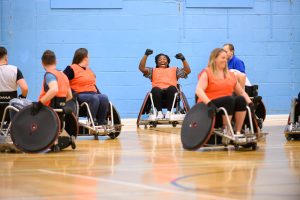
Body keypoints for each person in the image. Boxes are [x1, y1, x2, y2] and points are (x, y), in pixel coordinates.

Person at [196, 48, 253, 137]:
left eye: (226, 58)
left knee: (241, 99)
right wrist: (209, 103)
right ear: (214, 59)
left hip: (227, 105)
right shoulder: (207, 72)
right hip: (209, 107)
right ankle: (227, 131)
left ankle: (237, 132)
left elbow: (241, 92)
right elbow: (199, 90)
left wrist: (250, 103)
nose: (225, 60)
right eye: (223, 58)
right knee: (229, 99)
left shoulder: (230, 75)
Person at [139, 49, 191, 119]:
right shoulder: (152, 71)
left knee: (172, 88)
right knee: (155, 89)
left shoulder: (174, 70)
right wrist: (146, 55)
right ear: (157, 62)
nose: (162, 61)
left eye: (164, 59)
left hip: (172, 95)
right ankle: (159, 113)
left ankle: (168, 113)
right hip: (157, 95)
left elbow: (187, 71)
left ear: (168, 62)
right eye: (159, 60)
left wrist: (183, 59)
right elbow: (141, 68)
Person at [63, 48, 109, 125]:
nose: (89, 58)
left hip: (93, 93)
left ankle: (101, 122)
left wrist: (99, 93)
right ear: (85, 58)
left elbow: (93, 84)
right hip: (79, 95)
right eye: (88, 56)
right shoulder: (71, 68)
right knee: (94, 98)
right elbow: (63, 80)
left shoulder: (89, 70)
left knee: (104, 97)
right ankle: (92, 120)